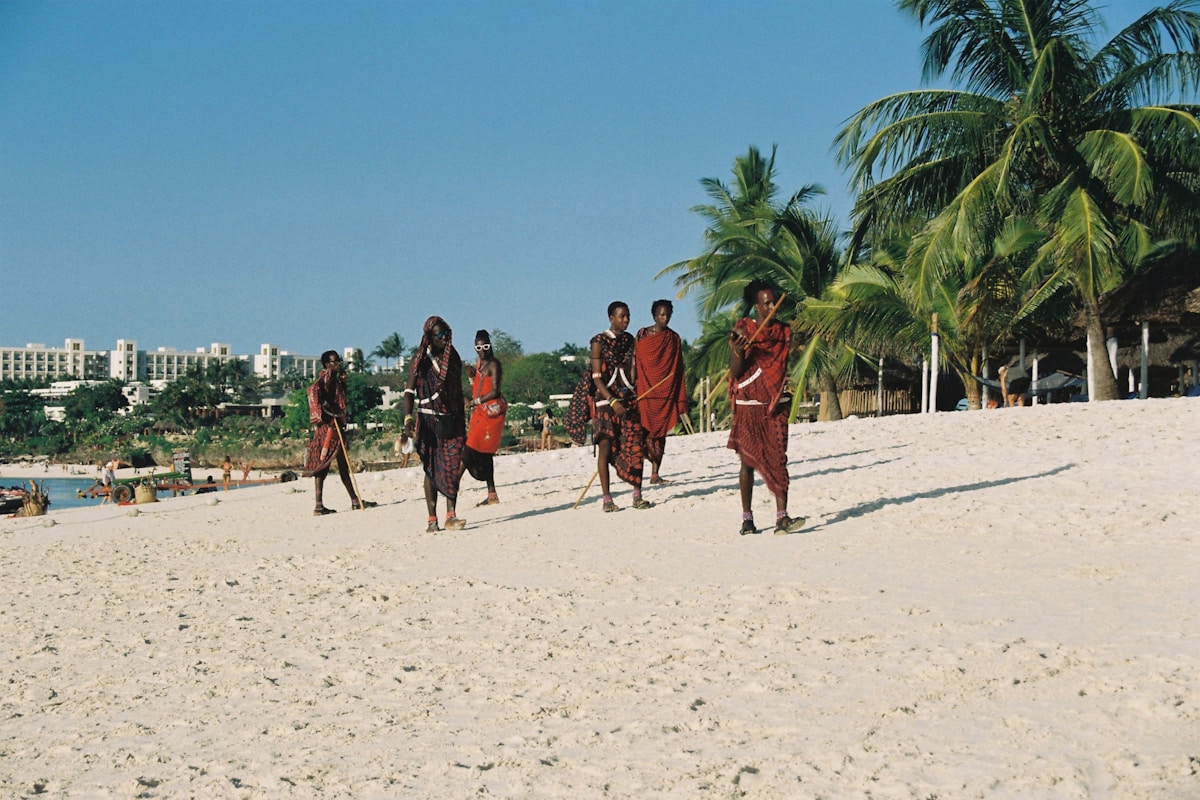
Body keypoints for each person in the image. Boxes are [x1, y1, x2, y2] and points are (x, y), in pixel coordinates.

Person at [728, 279, 805, 535]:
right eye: (766, 303)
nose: (772, 306)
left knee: (778, 460)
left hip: (774, 403)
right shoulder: (743, 330)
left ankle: (782, 518)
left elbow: (779, 366)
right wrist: (737, 351)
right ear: (756, 306)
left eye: (773, 301)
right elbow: (736, 372)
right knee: (748, 462)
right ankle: (747, 519)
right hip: (748, 405)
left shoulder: (783, 332)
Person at [568, 301, 651, 512]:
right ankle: (607, 499)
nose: (626, 320)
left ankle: (637, 495)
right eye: (622, 316)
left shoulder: (630, 340)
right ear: (611, 318)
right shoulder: (599, 341)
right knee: (605, 447)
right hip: (605, 402)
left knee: (635, 445)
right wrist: (612, 401)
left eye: (628, 316)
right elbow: (597, 379)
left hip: (628, 399)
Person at [403, 316, 467, 532]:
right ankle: (432, 519)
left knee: (452, 465)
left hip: (452, 419)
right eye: (440, 335)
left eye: (447, 333)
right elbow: (409, 392)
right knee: (431, 469)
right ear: (429, 337)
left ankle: (451, 515)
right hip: (428, 421)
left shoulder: (453, 357)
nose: (444, 338)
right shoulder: (420, 359)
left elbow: (457, 389)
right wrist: (408, 418)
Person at [302, 350, 374, 515]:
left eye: (338, 361)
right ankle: (319, 506)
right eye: (333, 362)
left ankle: (354, 501)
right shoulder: (327, 377)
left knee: (343, 465)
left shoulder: (336, 379)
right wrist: (328, 409)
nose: (337, 364)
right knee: (323, 467)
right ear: (327, 364)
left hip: (336, 427)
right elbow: (315, 391)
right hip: (329, 429)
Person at [635, 299, 688, 485]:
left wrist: (680, 398)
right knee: (643, 433)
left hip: (665, 391)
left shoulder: (674, 338)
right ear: (655, 315)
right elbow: (636, 361)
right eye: (661, 315)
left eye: (668, 315)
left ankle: (655, 473)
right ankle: (637, 472)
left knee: (661, 435)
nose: (665, 318)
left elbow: (678, 368)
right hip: (645, 391)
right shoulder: (642, 334)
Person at [459, 329, 506, 506]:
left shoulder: (494, 364)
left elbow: (495, 391)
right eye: (478, 347)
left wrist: (475, 401)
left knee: (469, 448)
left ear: (490, 345)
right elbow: (479, 385)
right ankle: (492, 494)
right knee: (485, 454)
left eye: (485, 346)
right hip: (480, 413)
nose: (482, 350)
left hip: (490, 414)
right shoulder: (479, 365)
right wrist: (472, 375)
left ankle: (453, 486)